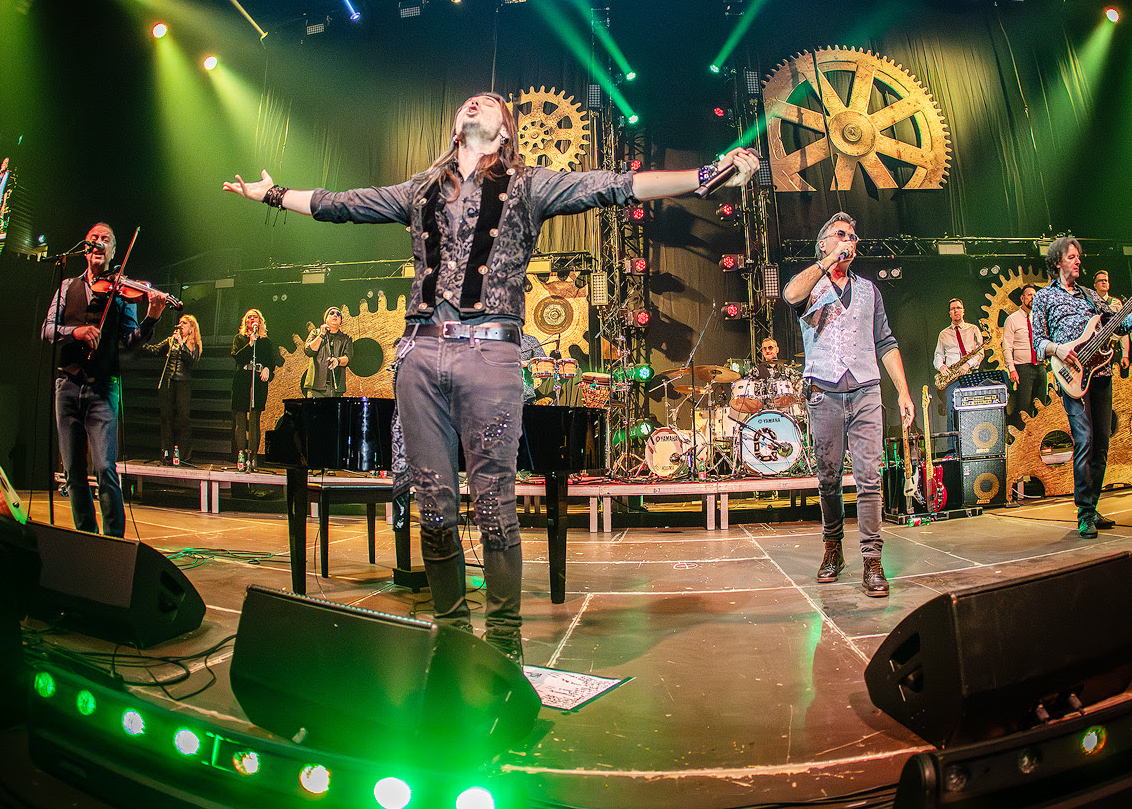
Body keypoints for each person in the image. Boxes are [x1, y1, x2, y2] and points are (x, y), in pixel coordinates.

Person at [224, 91, 759, 663]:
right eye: (469, 102)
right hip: (420, 355)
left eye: (489, 102)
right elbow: (343, 203)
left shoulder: (530, 186)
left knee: (494, 503)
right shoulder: (420, 190)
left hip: (491, 354)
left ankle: (504, 641)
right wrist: (273, 194)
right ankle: (452, 635)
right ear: (456, 127)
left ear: (505, 132)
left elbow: (614, 185)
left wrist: (706, 175)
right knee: (435, 504)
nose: (475, 103)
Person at [782, 211, 914, 597]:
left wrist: (903, 391)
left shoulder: (870, 290)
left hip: (866, 390)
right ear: (824, 243)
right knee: (829, 478)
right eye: (841, 235)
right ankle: (833, 546)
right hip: (823, 391)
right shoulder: (811, 284)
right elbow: (790, 295)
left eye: (853, 237)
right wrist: (827, 262)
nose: (849, 241)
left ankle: (872, 558)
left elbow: (885, 342)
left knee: (870, 476)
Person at [40, 223, 165, 538]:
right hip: (67, 386)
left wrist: (151, 318)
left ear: (113, 251)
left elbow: (131, 341)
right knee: (73, 471)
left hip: (103, 387)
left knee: (105, 468)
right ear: (85, 248)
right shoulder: (66, 286)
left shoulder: (122, 294)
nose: (98, 243)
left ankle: (113, 540)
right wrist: (76, 332)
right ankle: (85, 536)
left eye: (105, 239)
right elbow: (47, 330)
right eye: (93, 239)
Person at [1031, 237, 1132, 539]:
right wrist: (1057, 348)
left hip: (1101, 373)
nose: (1078, 260)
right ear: (1057, 262)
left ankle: (1091, 507)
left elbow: (1117, 325)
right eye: (1072, 257)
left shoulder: (1091, 295)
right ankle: (1084, 514)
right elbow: (1038, 341)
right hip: (1071, 377)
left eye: (1079, 257)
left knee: (1102, 444)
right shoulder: (1044, 297)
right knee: (1084, 440)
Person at [148, 314, 202, 465]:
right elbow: (154, 350)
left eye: (184, 323)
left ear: (191, 328)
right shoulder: (171, 341)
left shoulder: (194, 345)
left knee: (183, 418)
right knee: (166, 417)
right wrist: (139, 342)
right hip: (168, 381)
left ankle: (184, 454)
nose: (180, 325)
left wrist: (182, 344)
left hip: (183, 383)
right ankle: (166, 452)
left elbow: (192, 361)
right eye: (179, 322)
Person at [231, 309, 281, 471]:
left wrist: (267, 369)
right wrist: (250, 343)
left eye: (255, 317)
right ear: (245, 322)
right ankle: (241, 454)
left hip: (257, 381)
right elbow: (237, 357)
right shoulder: (239, 339)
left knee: (254, 419)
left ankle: (253, 456)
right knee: (240, 418)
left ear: (260, 322)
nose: (252, 319)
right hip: (242, 380)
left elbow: (271, 360)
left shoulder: (266, 341)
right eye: (249, 317)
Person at [932, 298, 985, 432]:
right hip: (952, 378)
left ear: (963, 311)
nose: (956, 310)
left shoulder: (973, 329)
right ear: (949, 313)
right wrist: (941, 366)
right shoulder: (943, 334)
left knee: (973, 410)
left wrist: (968, 365)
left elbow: (980, 353)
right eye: (952, 309)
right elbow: (938, 355)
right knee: (951, 411)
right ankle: (952, 443)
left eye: (958, 308)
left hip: (971, 375)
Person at [1003, 284, 1047, 423]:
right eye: (1029, 295)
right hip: (1023, 368)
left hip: (1040, 366)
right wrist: (1012, 369)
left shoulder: (1039, 319)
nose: (1032, 298)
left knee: (1041, 405)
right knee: (1024, 407)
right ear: (1022, 298)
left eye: (1035, 295)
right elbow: (1007, 347)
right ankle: (1022, 434)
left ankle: (1041, 435)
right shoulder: (1012, 319)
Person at [306, 307, 353, 398]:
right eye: (331, 313)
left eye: (338, 314)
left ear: (341, 321)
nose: (335, 315)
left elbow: (348, 358)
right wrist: (321, 335)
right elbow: (309, 351)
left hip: (336, 387)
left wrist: (337, 361)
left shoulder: (346, 339)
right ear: (326, 319)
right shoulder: (315, 333)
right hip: (316, 386)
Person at [1093, 269, 1131, 372]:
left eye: (1105, 280)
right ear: (1095, 285)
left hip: (1113, 347)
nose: (1103, 282)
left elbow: (1123, 329)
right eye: (1100, 280)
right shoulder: (1091, 303)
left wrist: (1125, 354)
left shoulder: (1116, 303)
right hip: (1096, 348)